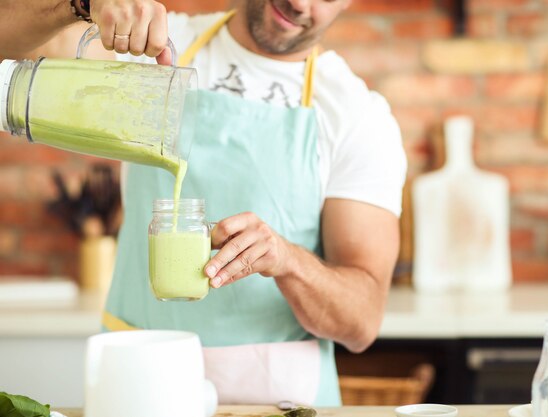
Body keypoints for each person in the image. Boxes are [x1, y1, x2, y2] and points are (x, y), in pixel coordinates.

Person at [0, 0, 406, 406]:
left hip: (276, 401)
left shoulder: (356, 117)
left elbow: (361, 321)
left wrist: (288, 261)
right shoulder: (149, 44)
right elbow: (9, 51)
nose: (300, 2)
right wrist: (81, 5)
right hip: (139, 388)